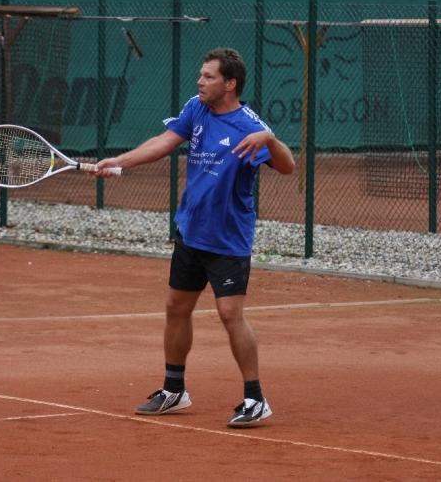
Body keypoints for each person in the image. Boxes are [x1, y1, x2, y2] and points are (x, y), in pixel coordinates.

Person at [92, 48, 295, 428]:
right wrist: (120, 161)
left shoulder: (248, 127)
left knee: (230, 313)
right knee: (176, 307)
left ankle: (255, 399)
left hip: (228, 237)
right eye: (201, 75)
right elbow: (164, 141)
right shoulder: (197, 108)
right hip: (192, 230)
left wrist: (269, 139)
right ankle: (174, 390)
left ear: (229, 84)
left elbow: (288, 166)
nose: (200, 82)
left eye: (208, 77)